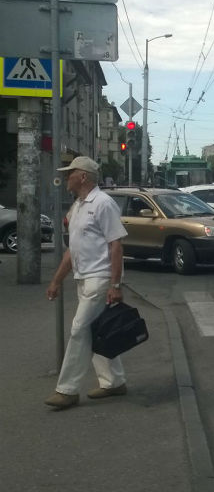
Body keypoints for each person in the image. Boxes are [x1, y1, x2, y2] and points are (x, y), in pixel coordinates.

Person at [44, 156, 129, 410]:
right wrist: (57, 280)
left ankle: (67, 390)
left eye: (70, 173)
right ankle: (114, 382)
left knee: (79, 330)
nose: (66, 177)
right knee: (95, 331)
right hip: (84, 278)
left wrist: (115, 285)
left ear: (83, 177)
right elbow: (72, 250)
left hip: (100, 278)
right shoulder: (78, 206)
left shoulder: (103, 203)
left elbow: (116, 245)